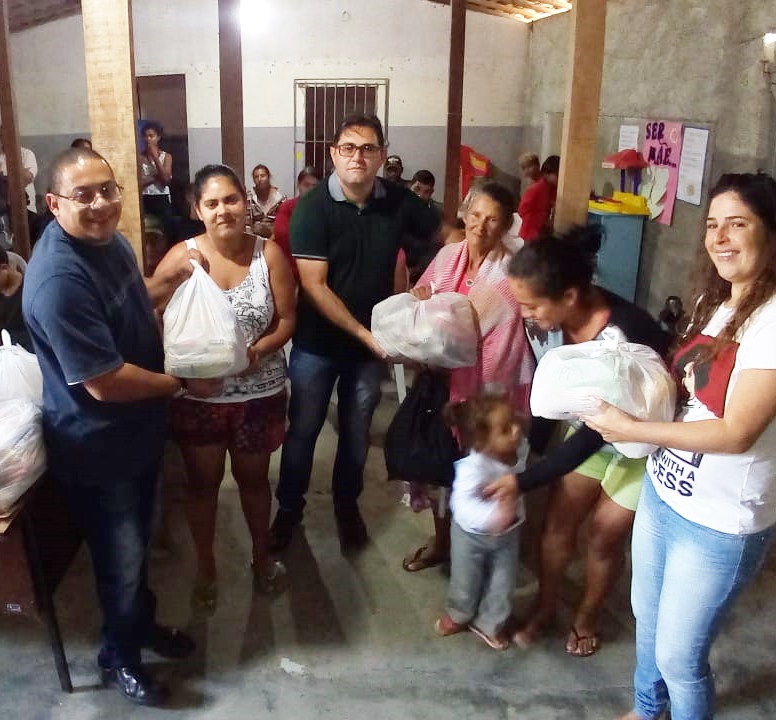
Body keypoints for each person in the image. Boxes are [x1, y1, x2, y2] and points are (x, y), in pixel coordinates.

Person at [582, 174, 776, 720]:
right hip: (664, 495)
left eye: (737, 224)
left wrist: (633, 428)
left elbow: (737, 432)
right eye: (713, 225)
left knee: (679, 658)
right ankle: (646, 711)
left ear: (774, 232)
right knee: (647, 621)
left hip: (720, 522)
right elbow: (688, 396)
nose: (720, 238)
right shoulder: (721, 303)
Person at [23, 146, 207, 707]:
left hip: (138, 431)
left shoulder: (111, 242)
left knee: (138, 547)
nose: (101, 203)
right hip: (100, 446)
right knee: (120, 559)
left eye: (108, 190)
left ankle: (139, 627)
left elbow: (130, 300)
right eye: (84, 195)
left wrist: (170, 281)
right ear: (54, 203)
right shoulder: (59, 278)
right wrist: (180, 383)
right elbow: (103, 381)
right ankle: (119, 657)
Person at [482, 225, 670, 657]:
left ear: (568, 296)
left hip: (643, 443)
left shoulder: (624, 333)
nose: (525, 313)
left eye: (532, 305)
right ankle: (546, 606)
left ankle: (587, 615)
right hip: (594, 426)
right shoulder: (554, 323)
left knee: (603, 534)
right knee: (558, 522)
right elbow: (551, 389)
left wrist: (524, 480)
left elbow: (589, 438)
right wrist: (531, 450)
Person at [271, 112, 441, 553]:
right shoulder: (311, 209)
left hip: (369, 348)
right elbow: (314, 286)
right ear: (333, 154)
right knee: (304, 429)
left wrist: (430, 284)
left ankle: (347, 505)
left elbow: (446, 236)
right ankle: (288, 509)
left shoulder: (400, 202)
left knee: (356, 432)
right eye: (348, 147)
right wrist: (368, 337)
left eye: (368, 148)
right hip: (318, 345)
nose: (357, 157)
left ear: (382, 155)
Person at [154, 165, 297, 611]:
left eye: (231, 200)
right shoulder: (182, 256)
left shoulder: (268, 255)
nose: (223, 211)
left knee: (254, 481)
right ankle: (206, 568)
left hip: (259, 394)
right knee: (202, 484)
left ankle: (261, 557)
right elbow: (153, 312)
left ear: (245, 203)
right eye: (212, 203)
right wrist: (183, 367)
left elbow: (287, 319)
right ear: (197, 210)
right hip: (200, 398)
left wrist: (258, 350)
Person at [400, 183, 536, 573]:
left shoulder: (511, 273)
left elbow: (467, 326)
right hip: (441, 382)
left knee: (484, 473)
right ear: (464, 214)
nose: (480, 225)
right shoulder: (449, 256)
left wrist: (431, 314)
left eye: (492, 219)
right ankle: (442, 542)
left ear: (506, 225)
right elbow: (420, 297)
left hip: (490, 391)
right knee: (442, 468)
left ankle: (479, 554)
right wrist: (420, 301)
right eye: (475, 215)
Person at [434, 391, 525, 650]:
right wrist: (496, 517)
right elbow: (461, 505)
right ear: (482, 442)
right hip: (470, 536)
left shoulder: (519, 452)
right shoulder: (471, 468)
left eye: (514, 422)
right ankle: (459, 612)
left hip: (508, 534)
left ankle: (490, 622)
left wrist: (507, 517)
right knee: (465, 579)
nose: (516, 431)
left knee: (502, 583)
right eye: (506, 429)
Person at [271, 166, 319, 279]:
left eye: (315, 186)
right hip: (289, 270)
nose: (311, 189)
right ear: (298, 185)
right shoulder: (288, 207)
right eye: (306, 185)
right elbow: (282, 236)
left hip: (318, 271)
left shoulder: (324, 209)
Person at [138, 120, 177, 241]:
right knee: (146, 230)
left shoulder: (166, 156)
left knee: (166, 230)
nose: (148, 139)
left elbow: (165, 180)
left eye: (151, 136)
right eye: (145, 136)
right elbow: (138, 183)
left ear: (158, 137)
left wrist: (155, 158)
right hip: (145, 197)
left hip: (161, 197)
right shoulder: (139, 157)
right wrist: (156, 177)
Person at [518, 154, 559, 243]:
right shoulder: (538, 186)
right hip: (532, 229)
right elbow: (522, 209)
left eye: (530, 166)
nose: (527, 171)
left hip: (539, 229)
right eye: (524, 168)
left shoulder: (546, 186)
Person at [0, 136, 39, 214]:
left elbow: (27, 178)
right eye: (4, 135)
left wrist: (3, 179)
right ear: (0, 138)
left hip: (27, 209)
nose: (8, 139)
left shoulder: (27, 154)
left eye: (10, 135)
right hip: (3, 211)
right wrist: (20, 173)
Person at [245, 164, 286, 238]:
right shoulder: (249, 198)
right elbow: (247, 224)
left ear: (268, 177)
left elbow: (284, 223)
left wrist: (271, 240)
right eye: (256, 177)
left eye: (263, 176)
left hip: (275, 238)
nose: (259, 179)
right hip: (255, 238)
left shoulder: (280, 198)